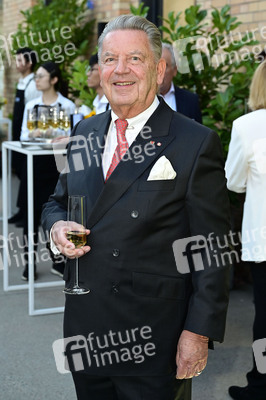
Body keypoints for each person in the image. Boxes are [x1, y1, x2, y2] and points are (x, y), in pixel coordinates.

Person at [42, 15, 231, 400]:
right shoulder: (85, 132)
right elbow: (57, 202)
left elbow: (211, 249)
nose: (120, 70)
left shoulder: (193, 142)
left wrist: (198, 332)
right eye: (109, 59)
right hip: (85, 328)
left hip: (153, 339)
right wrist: (57, 227)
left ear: (160, 69)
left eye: (135, 59)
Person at [225, 61, 266, 400]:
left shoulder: (246, 126)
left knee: (265, 317)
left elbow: (234, 182)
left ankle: (261, 385)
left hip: (263, 241)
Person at [19, 61, 75, 280]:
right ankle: (29, 263)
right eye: (36, 76)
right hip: (33, 164)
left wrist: (56, 135)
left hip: (57, 164)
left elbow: (71, 135)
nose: (37, 79)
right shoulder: (31, 105)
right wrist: (34, 135)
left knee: (55, 211)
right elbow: (24, 134)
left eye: (41, 76)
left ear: (53, 79)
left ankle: (57, 260)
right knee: (29, 214)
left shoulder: (67, 105)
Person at [9, 47, 41, 224]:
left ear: (29, 63)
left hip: (27, 136)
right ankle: (22, 211)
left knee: (26, 173)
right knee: (19, 170)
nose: (17, 63)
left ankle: (28, 213)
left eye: (21, 60)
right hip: (17, 133)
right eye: (17, 59)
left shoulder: (32, 85)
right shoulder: (21, 82)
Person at [159, 43, 202, 123]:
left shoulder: (191, 101)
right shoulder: (138, 101)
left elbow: (199, 134)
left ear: (174, 70)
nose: (159, 71)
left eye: (164, 66)